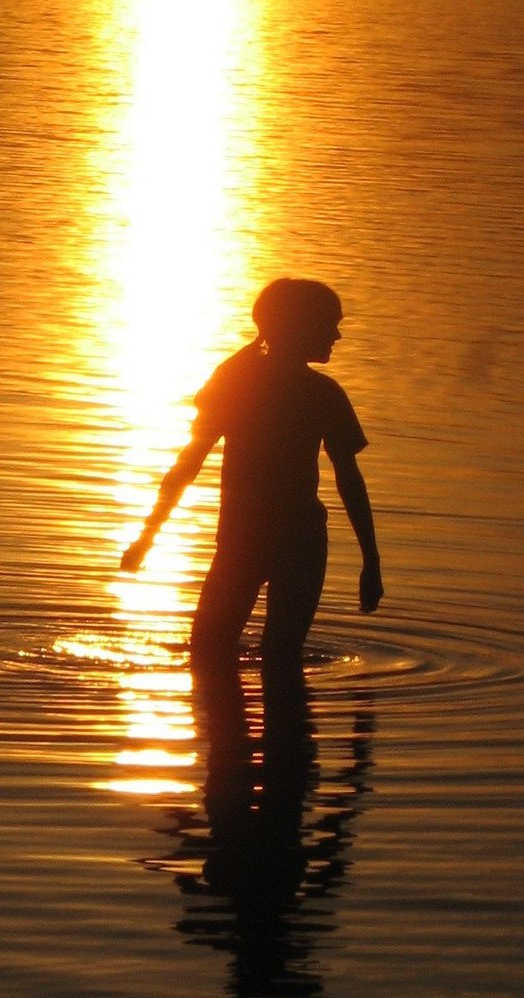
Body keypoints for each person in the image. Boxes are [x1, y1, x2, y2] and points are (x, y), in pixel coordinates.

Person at [121, 278, 382, 720]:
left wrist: (148, 536)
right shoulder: (284, 390)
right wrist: (370, 561)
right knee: (240, 659)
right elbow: (190, 464)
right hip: (270, 545)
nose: (337, 336)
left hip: (274, 544)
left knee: (215, 656)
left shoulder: (273, 388)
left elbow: (186, 466)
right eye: (329, 326)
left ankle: (243, 764)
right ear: (299, 327)